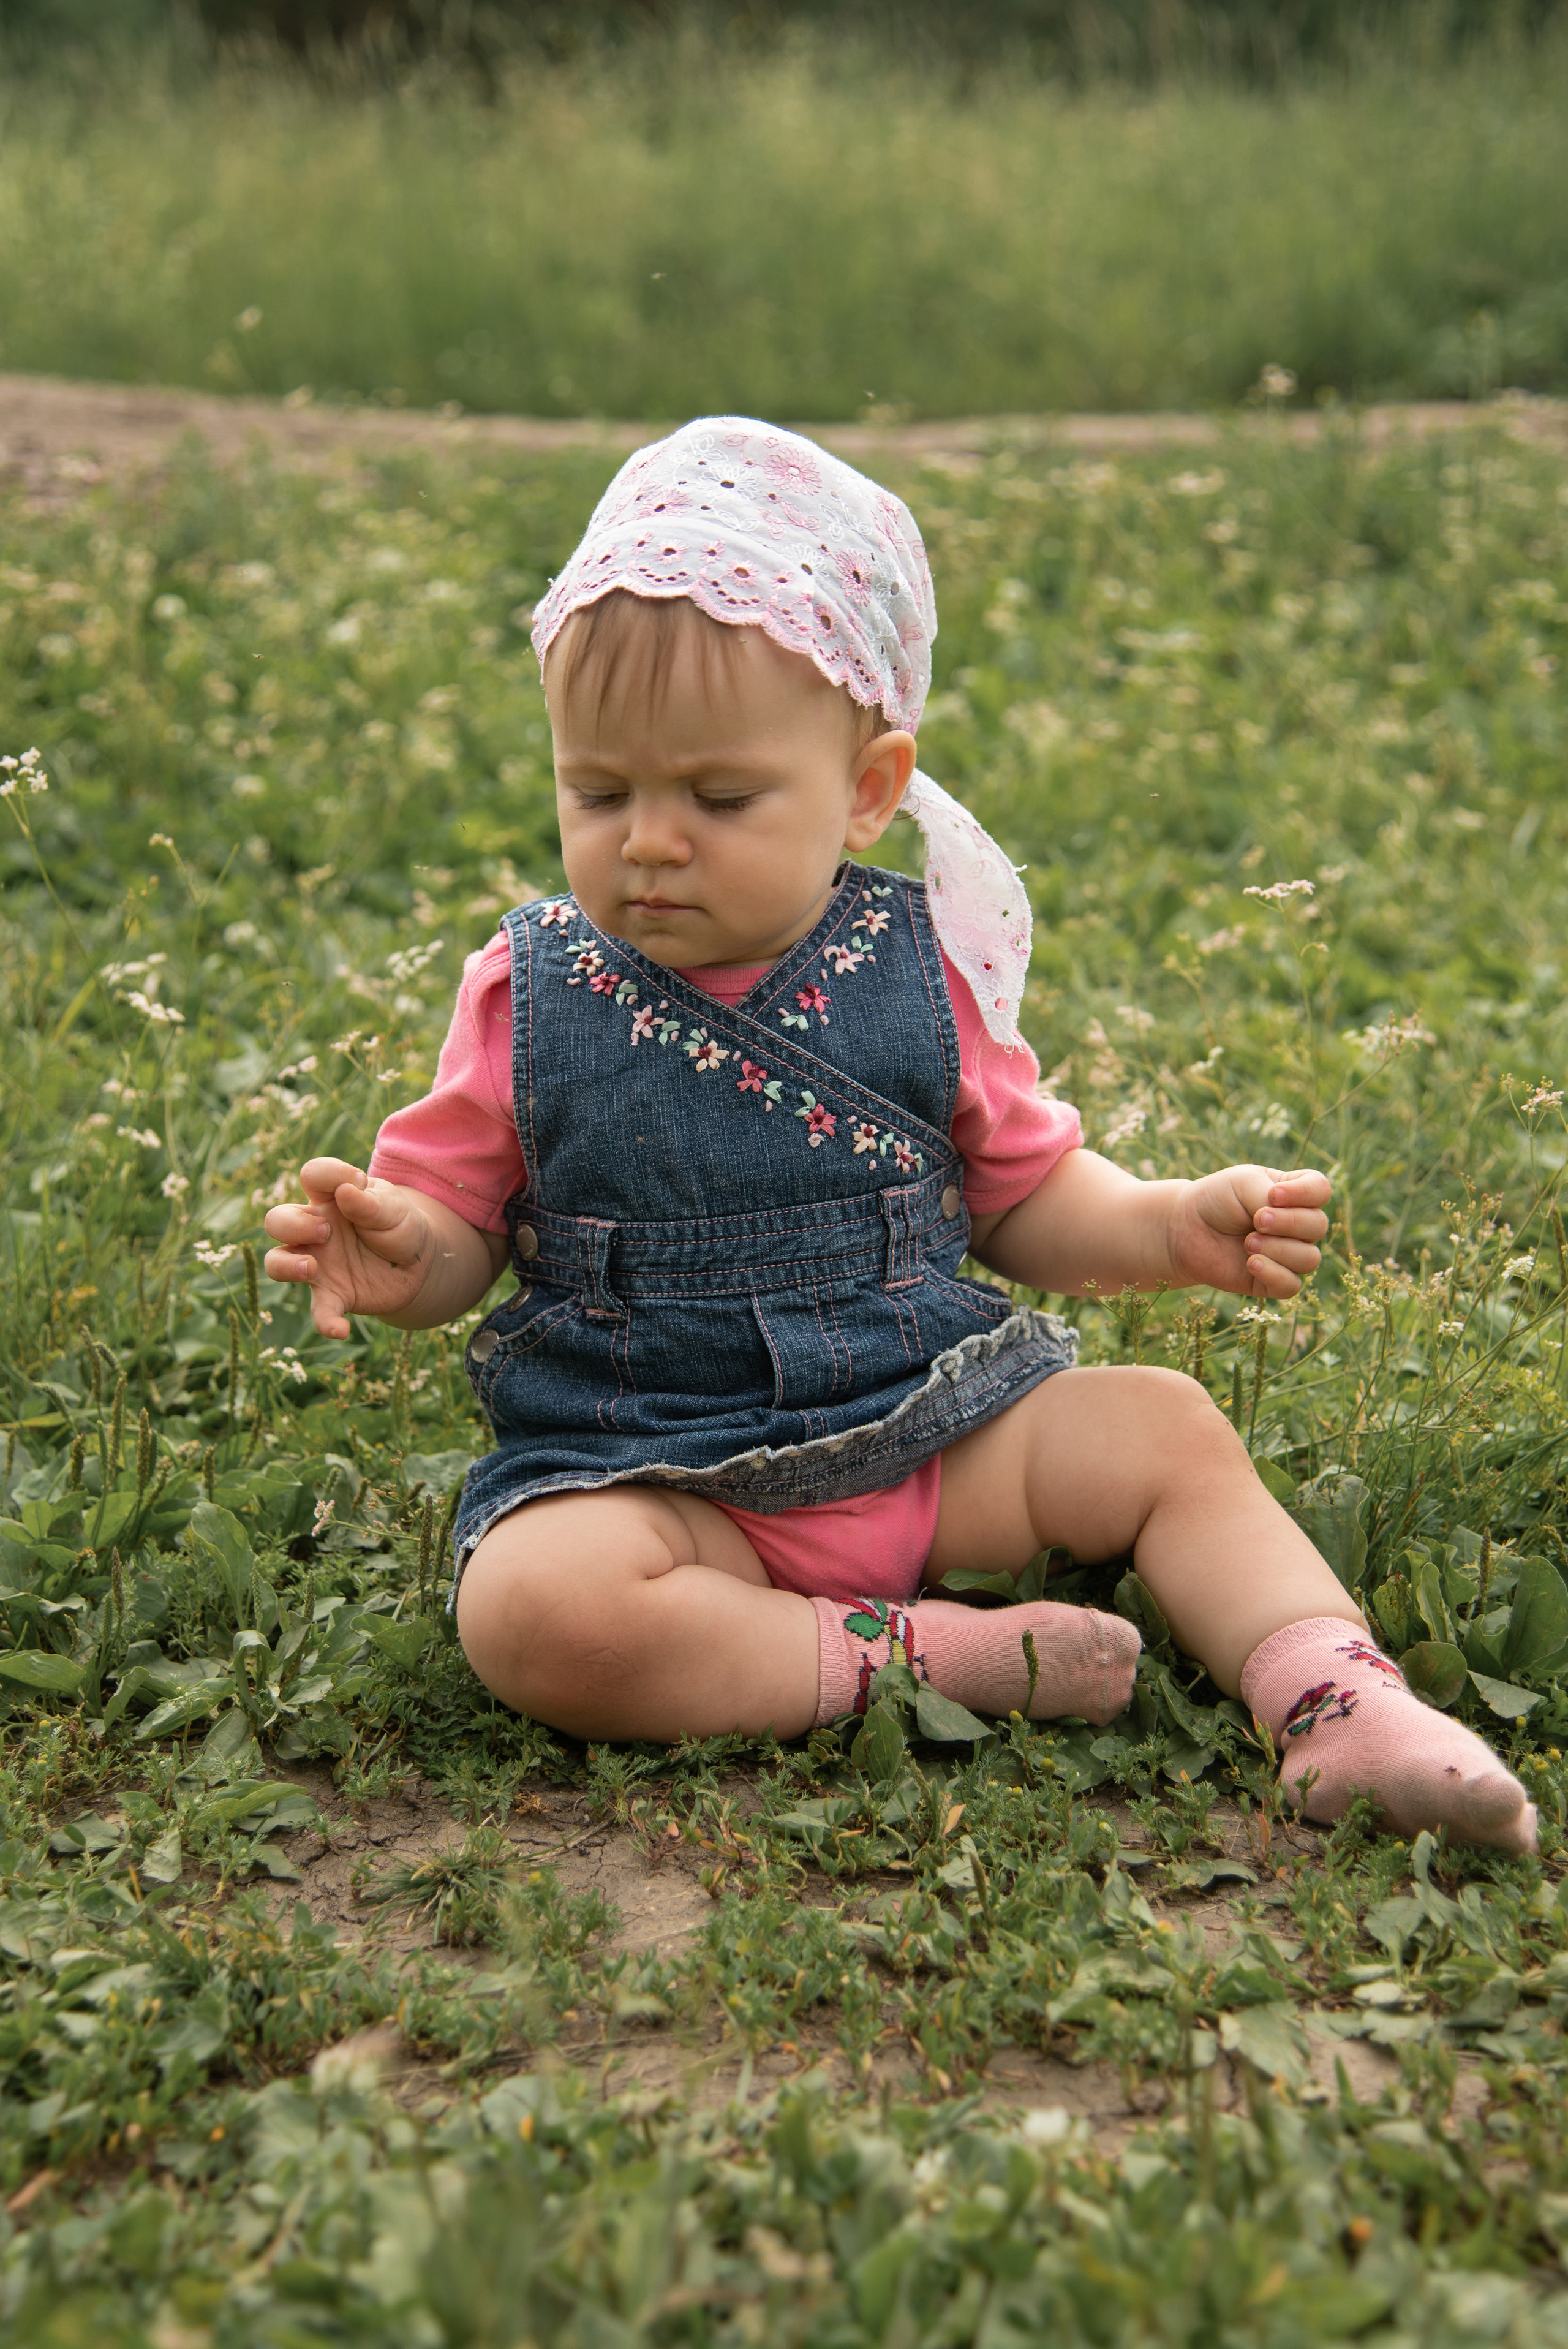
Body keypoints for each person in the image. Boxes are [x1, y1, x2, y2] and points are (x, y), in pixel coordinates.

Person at [263, 418, 1534, 1855]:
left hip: (935, 1438)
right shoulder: (534, 993)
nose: (649, 841)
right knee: (529, 1610)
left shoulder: (919, 970)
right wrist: (404, 1254)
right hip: (660, 1478)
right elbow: (454, 1231)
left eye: (718, 796)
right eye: (598, 792)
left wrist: (1167, 1224)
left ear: (866, 788)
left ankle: (1332, 1701)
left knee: (1166, 1431)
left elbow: (1024, 1195)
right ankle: (921, 1661)